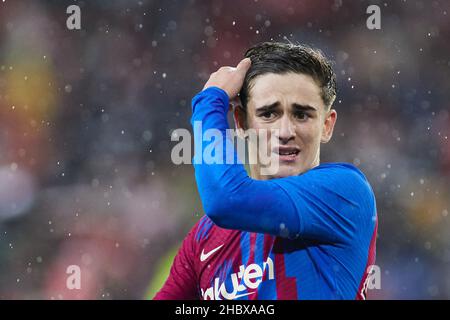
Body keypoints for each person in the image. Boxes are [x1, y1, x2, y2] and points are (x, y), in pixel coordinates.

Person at [154, 42, 377, 300]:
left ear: (327, 125)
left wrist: (210, 101)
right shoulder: (204, 237)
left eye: (302, 115)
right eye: (269, 114)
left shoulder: (346, 193)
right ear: (240, 122)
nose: (285, 132)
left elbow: (227, 199)